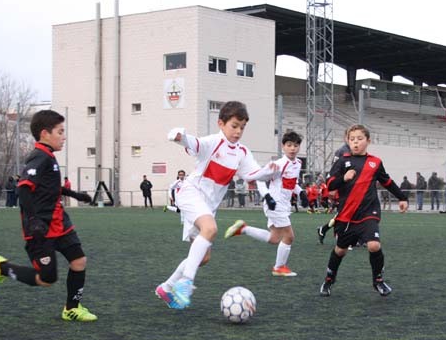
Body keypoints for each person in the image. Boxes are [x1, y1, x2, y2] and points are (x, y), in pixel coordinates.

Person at [154, 101, 277, 309]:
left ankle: (166, 287)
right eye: (234, 126)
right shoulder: (213, 142)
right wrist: (179, 136)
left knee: (203, 257)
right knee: (210, 229)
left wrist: (267, 171)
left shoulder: (242, 152)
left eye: (242, 127)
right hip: (191, 194)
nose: (238, 131)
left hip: (208, 206)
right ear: (221, 123)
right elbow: (192, 143)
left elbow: (252, 174)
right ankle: (186, 282)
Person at [0, 109, 96, 321]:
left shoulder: (49, 157)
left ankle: (72, 308)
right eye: (60, 131)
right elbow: (24, 188)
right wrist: (33, 220)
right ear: (45, 133)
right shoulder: (39, 157)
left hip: (60, 223)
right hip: (40, 228)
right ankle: (2, 268)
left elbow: (49, 188)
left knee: (79, 261)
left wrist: (75, 194)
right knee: (46, 279)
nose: (64, 136)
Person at [319, 124, 408, 298]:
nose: (356, 142)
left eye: (359, 139)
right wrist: (343, 178)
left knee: (374, 245)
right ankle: (329, 280)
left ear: (368, 141)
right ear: (347, 141)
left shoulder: (375, 162)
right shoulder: (342, 161)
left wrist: (402, 197)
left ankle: (379, 281)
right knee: (340, 250)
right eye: (352, 139)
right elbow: (329, 184)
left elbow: (387, 182)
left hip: (369, 212)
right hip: (347, 215)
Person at [224, 130, 308, 277]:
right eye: (289, 145)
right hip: (275, 204)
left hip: (284, 204)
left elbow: (291, 183)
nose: (292, 148)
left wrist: (301, 192)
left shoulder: (298, 163)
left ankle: (244, 229)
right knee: (289, 236)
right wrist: (267, 197)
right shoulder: (278, 164)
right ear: (283, 147)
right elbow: (260, 179)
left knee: (275, 238)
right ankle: (279, 267)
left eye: (295, 145)